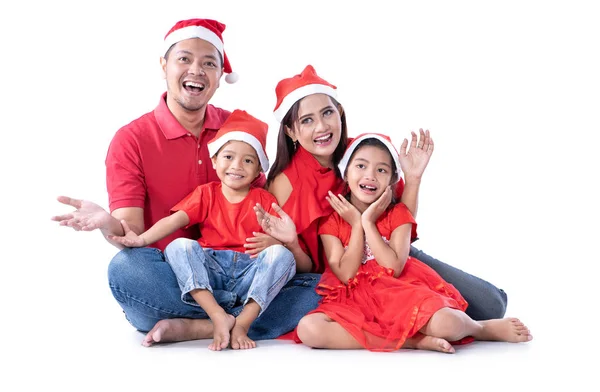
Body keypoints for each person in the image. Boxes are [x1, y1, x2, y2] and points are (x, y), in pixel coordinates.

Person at [51, 18, 320, 346]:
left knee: (319, 284)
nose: (196, 70)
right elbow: (134, 237)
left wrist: (282, 245)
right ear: (164, 65)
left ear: (220, 76)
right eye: (184, 59)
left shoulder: (236, 129)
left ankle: (197, 326)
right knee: (126, 270)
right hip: (174, 277)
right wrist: (108, 222)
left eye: (209, 63)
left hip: (244, 271)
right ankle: (240, 319)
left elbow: (262, 207)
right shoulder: (131, 139)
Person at [260, 65, 508, 324]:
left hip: (388, 254)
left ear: (340, 113)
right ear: (291, 131)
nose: (321, 127)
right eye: (307, 120)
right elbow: (300, 262)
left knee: (492, 306)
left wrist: (412, 180)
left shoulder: (361, 153)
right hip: (338, 275)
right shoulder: (284, 183)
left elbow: (402, 219)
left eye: (327, 113)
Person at [290, 133, 532, 352]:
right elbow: (345, 274)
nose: (370, 176)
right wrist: (355, 225)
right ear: (346, 172)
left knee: (446, 323)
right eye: (361, 166)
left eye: (382, 170)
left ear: (393, 180)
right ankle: (413, 341)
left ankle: (481, 328)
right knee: (309, 328)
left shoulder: (398, 215)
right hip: (358, 302)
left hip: (399, 294)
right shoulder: (332, 221)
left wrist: (368, 223)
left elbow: (392, 266)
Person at [107, 110, 296, 350]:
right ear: (214, 160)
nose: (236, 166)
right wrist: (141, 239)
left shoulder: (264, 199)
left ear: (259, 169)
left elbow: (281, 239)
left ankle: (241, 322)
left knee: (288, 261)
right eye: (228, 157)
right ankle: (216, 313)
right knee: (178, 247)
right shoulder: (206, 194)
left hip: (250, 272)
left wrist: (277, 243)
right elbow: (172, 222)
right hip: (211, 271)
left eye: (248, 160)